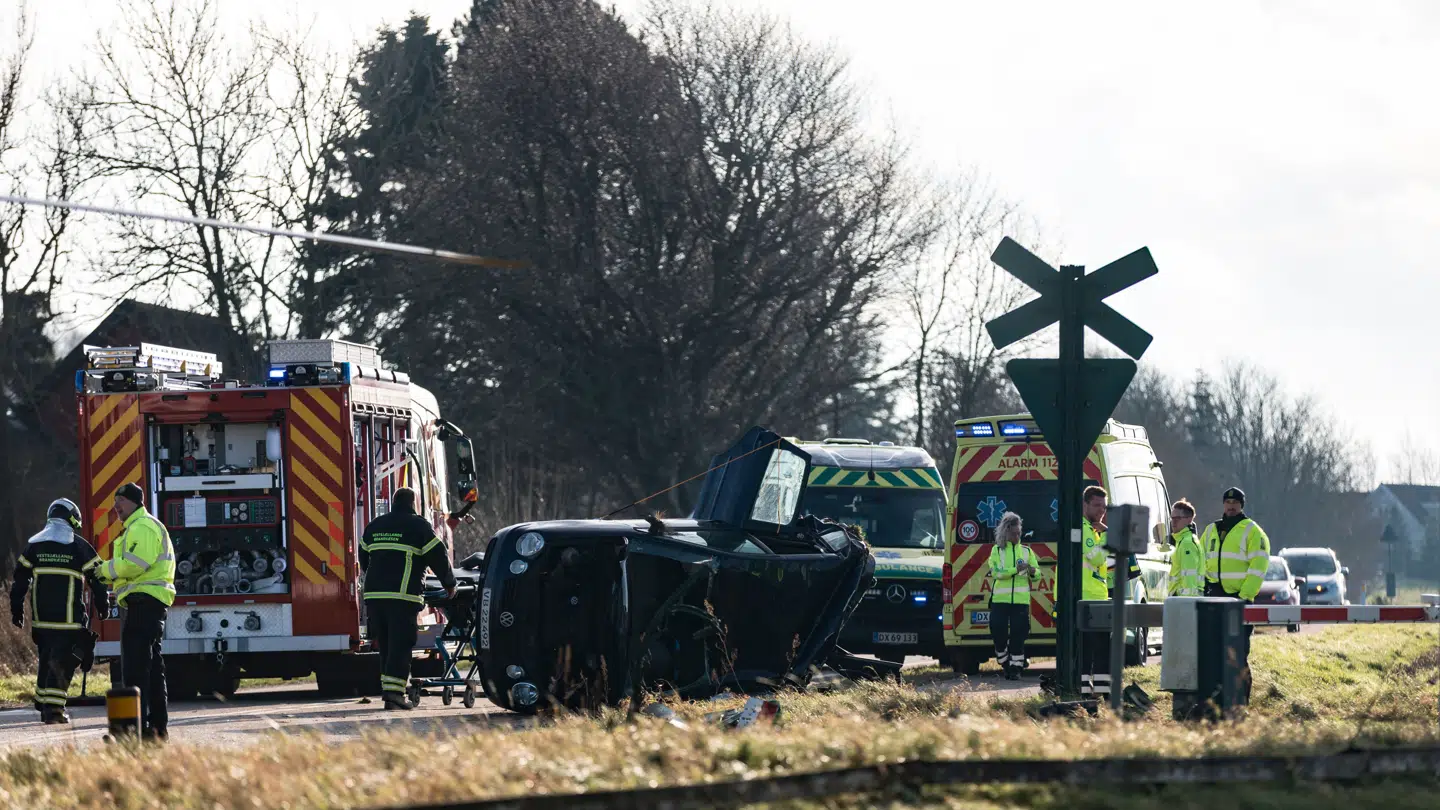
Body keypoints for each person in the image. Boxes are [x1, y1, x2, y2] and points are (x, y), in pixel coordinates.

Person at [10, 498, 108, 724]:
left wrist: (17, 610)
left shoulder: (34, 545)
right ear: (72, 519)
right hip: (68, 620)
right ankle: (53, 710)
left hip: (41, 621)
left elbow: (19, 579)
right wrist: (103, 605)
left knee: (46, 659)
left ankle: (43, 701)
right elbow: (98, 577)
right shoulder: (79, 546)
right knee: (64, 661)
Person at [91, 482, 175, 741]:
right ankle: (155, 730)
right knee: (151, 668)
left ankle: (134, 731)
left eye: (122, 501)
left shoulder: (143, 527)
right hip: (145, 603)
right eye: (115, 501)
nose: (116, 506)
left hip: (144, 602)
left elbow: (135, 565)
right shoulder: (137, 528)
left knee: (136, 667)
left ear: (136, 502)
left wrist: (103, 570)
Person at [359, 487, 457, 710]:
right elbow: (438, 555)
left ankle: (389, 692)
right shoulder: (418, 526)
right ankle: (394, 694)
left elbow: (364, 556)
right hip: (402, 597)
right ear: (414, 502)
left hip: (374, 596)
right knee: (401, 645)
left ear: (394, 502)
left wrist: (376, 579)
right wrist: (449, 584)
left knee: (385, 645)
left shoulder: (375, 525)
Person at [1197, 487, 1270, 699]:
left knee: (1237, 655)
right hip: (1213, 597)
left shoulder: (1253, 531)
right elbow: (1201, 561)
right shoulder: (1211, 530)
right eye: (1227, 503)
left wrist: (1244, 597)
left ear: (1241, 505)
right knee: (1213, 653)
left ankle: (1240, 700)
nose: (1230, 506)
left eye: (1235, 503)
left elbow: (1258, 567)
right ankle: (1217, 700)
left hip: (1239, 600)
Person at [987, 512, 1040, 681]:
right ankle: (1003, 660)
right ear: (1006, 532)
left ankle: (1016, 668)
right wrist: (1014, 571)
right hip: (999, 601)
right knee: (998, 633)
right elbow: (996, 572)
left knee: (1018, 635)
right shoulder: (996, 550)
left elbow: (1038, 574)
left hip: (1020, 601)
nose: (1018, 536)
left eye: (1019, 533)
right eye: (1014, 533)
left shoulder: (1026, 551)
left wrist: (1033, 571)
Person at [1080, 486, 1112, 698]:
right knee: (1088, 651)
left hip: (1097, 595)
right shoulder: (1084, 529)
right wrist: (1109, 536)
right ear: (1085, 504)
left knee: (1101, 650)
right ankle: (1085, 692)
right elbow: (1097, 558)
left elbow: (1107, 565)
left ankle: (1101, 690)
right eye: (1097, 505)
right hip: (1086, 597)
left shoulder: (1092, 530)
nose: (1101, 510)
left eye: (1104, 506)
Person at [1167, 499, 1205, 597]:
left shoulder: (1187, 543)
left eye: (1178, 518)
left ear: (1189, 519)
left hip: (1184, 601)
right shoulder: (1183, 540)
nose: (1173, 522)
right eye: (1172, 518)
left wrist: (1186, 602)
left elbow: (1189, 578)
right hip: (1181, 599)